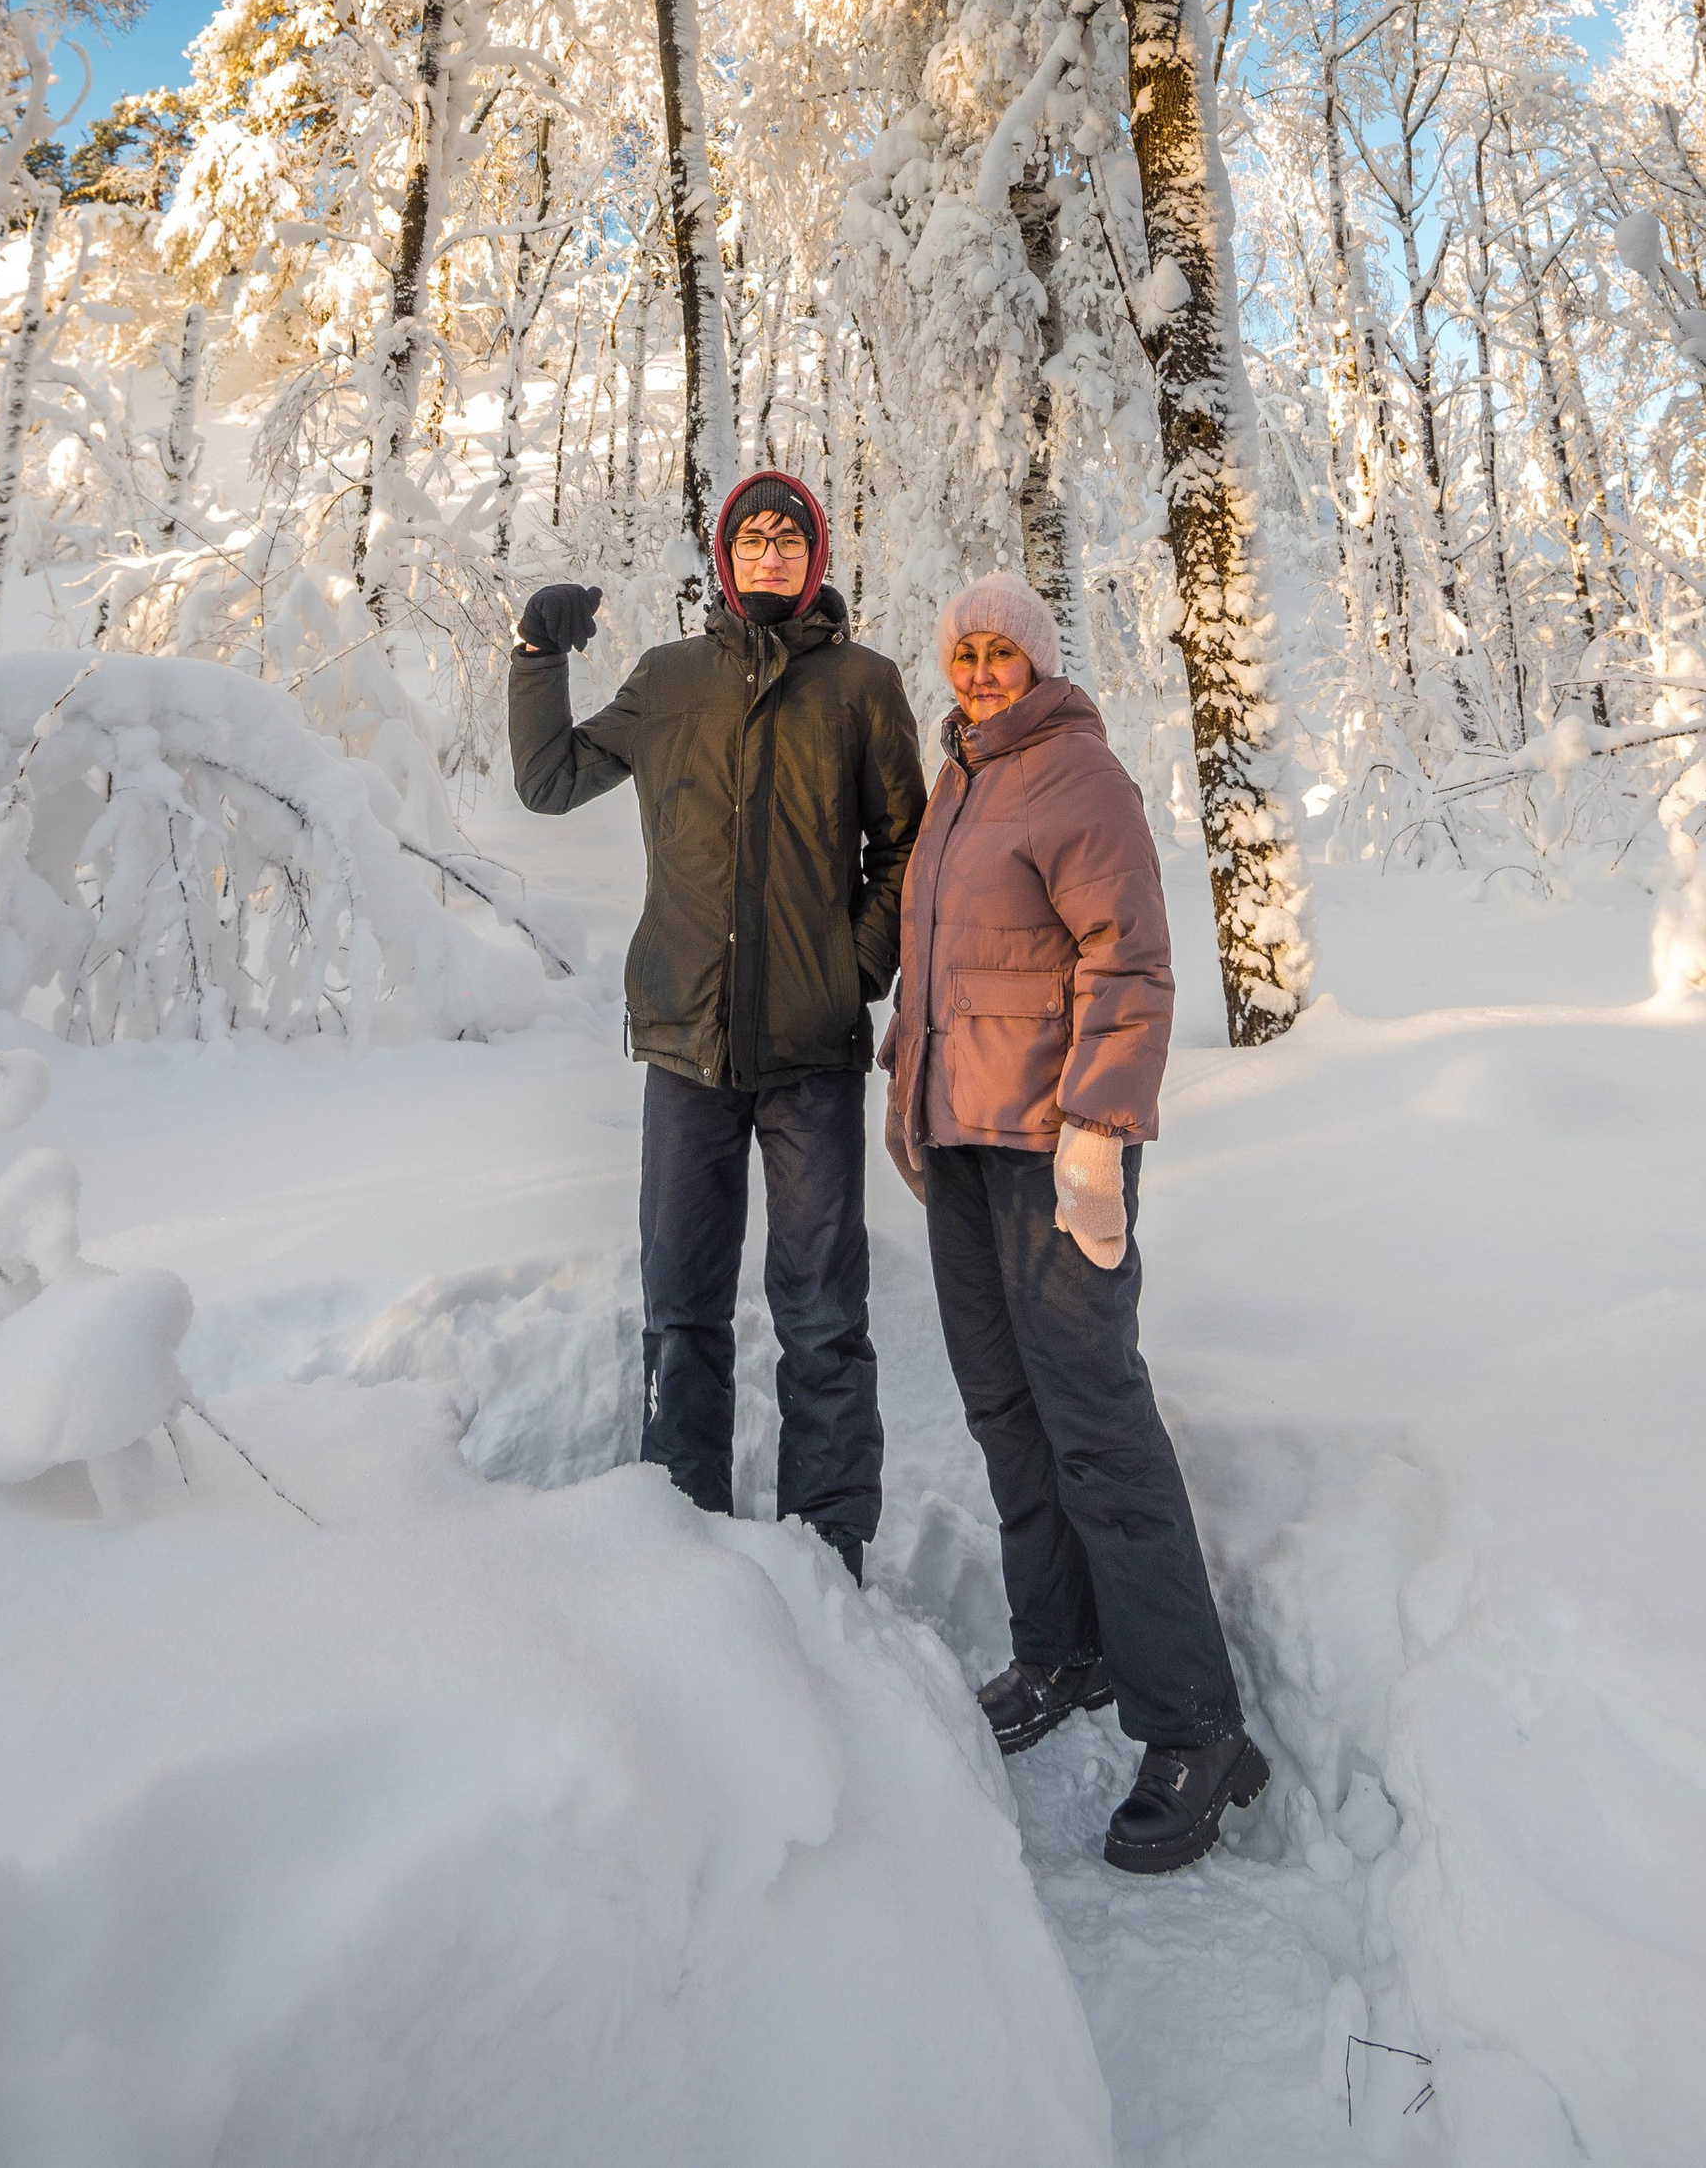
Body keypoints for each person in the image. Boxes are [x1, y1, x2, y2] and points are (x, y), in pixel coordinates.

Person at [881, 568, 1268, 1876]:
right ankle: (1064, 1648)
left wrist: (1099, 1130)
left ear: (1038, 661)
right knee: (1008, 1411)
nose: (982, 667)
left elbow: (1132, 958)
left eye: (1002, 649)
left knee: (1095, 1419)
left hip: (1056, 1150)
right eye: (965, 651)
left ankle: (1195, 1723)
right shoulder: (964, 781)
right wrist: (909, 1101)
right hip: (966, 1145)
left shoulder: (1077, 774)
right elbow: (942, 973)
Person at [508, 472, 925, 1580]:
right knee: (681, 1308)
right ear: (724, 557)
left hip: (811, 1055)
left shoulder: (863, 686)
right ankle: (677, 1547)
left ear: (818, 557)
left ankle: (828, 1553)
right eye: (754, 536)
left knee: (823, 1314)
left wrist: (853, 968)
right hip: (687, 1049)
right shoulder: (669, 680)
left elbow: (906, 849)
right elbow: (548, 782)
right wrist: (536, 658)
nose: (773, 551)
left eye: (792, 537)